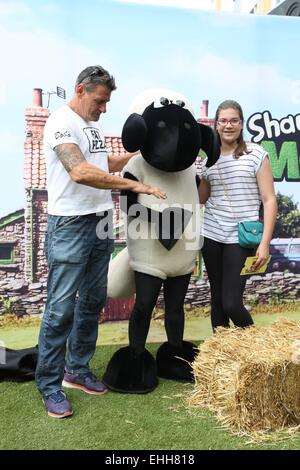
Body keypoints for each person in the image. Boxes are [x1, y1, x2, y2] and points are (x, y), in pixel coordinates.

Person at [35, 65, 166, 418]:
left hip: (100, 223)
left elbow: (101, 161)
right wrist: (135, 185)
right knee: (61, 308)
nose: (104, 108)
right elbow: (79, 171)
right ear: (81, 90)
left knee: (93, 301)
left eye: (107, 102)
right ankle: (49, 385)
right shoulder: (60, 123)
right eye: (100, 100)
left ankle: (76, 370)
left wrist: (137, 158)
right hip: (71, 225)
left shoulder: (92, 125)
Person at [199, 99, 277, 331]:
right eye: (223, 121)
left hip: (242, 238)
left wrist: (265, 244)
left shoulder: (256, 154)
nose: (228, 125)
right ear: (216, 125)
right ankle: (222, 360)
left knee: (231, 303)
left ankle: (257, 350)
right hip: (211, 234)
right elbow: (202, 198)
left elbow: (269, 200)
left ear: (241, 124)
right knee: (217, 301)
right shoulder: (208, 160)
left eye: (234, 120)